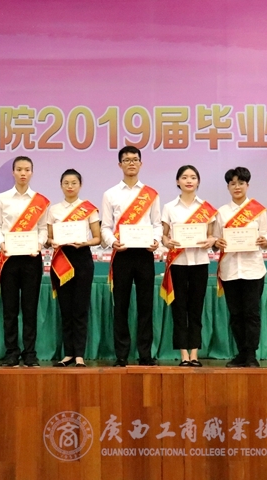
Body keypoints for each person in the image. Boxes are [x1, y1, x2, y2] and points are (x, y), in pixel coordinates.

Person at [100, 146, 162, 367]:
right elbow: (105, 227)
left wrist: (156, 240)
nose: (131, 163)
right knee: (121, 306)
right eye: (126, 160)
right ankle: (122, 355)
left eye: (135, 159)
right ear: (120, 165)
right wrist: (112, 242)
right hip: (122, 254)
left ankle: (145, 354)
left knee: (145, 306)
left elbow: (157, 224)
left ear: (141, 163)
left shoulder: (151, 194)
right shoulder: (110, 194)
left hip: (145, 254)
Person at [0, 156, 49, 367]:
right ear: (13, 172)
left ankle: (30, 352)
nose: (23, 173)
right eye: (19, 169)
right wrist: (1, 243)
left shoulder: (40, 201)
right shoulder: (2, 198)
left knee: (30, 308)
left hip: (31, 259)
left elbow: (43, 229)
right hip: (9, 259)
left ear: (32, 172)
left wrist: (39, 244)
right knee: (10, 309)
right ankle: (11, 352)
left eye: (27, 169)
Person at [213, 167, 267, 368]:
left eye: (241, 183)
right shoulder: (221, 212)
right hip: (230, 269)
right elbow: (215, 238)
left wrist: (265, 240)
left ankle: (251, 355)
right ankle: (241, 353)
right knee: (236, 314)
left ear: (248, 185)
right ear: (228, 187)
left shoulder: (258, 210)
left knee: (251, 314)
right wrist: (217, 242)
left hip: (253, 269)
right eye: (233, 183)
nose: (237, 187)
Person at [161, 165, 216, 367]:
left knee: (196, 308)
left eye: (193, 177)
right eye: (184, 177)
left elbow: (212, 235)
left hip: (200, 262)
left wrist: (211, 240)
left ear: (198, 181)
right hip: (178, 263)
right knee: (179, 308)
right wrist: (167, 242)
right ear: (178, 181)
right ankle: (183, 353)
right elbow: (163, 235)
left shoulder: (207, 208)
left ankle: (194, 353)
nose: (189, 180)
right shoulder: (169, 207)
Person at [48, 169, 101, 367]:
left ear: (80, 185)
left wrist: (85, 242)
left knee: (80, 308)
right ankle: (68, 353)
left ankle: (79, 354)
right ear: (61, 185)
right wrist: (52, 242)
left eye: (74, 183)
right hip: (62, 259)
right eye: (66, 183)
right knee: (65, 308)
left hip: (82, 258)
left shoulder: (89, 209)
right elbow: (48, 237)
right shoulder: (53, 210)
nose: (70, 186)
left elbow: (97, 238)